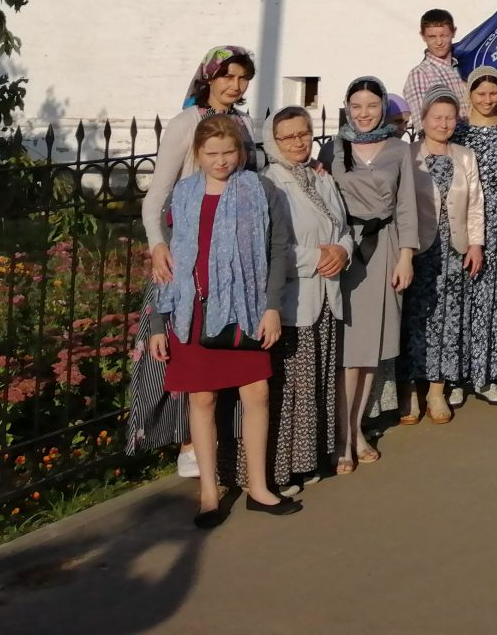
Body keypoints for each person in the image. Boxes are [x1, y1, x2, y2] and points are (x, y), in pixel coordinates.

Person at [146, 114, 300, 527]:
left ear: (243, 151)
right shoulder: (183, 194)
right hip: (191, 311)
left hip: (247, 310)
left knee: (257, 395)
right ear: (197, 153)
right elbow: (171, 264)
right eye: (211, 153)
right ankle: (210, 492)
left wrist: (271, 307)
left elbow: (278, 249)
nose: (220, 161)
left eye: (228, 152)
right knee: (202, 399)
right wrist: (161, 321)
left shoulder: (260, 189)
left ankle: (258, 487)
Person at [135, 44, 258, 480]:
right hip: (186, 255)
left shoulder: (244, 124)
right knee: (182, 350)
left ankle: (217, 442)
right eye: (227, 76)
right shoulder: (187, 124)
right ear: (209, 77)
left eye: (243, 78)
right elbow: (157, 195)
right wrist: (157, 245)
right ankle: (186, 440)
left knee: (225, 345)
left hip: (231, 259)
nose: (235, 85)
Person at [243, 106, 351, 497]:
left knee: (318, 382)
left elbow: (343, 227)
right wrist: (317, 258)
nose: (299, 142)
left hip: (326, 295)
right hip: (294, 299)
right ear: (274, 141)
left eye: (304, 133)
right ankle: (281, 468)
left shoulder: (320, 178)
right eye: (288, 136)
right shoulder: (269, 182)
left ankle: (309, 460)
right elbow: (271, 248)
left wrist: (342, 250)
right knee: (290, 390)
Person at [329, 76, 419, 471]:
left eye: (371, 105)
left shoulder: (399, 149)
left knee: (371, 352)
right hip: (347, 251)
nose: (364, 114)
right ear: (347, 108)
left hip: (384, 248)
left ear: (382, 107)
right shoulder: (335, 147)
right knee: (350, 351)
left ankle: (357, 427)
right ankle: (342, 437)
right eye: (356, 106)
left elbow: (406, 206)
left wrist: (406, 256)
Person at [402, 92, 485, 424]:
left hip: (454, 251)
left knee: (448, 320)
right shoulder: (408, 155)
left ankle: (437, 390)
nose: (443, 123)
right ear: (423, 120)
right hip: (418, 250)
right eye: (437, 117)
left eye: (450, 117)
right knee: (414, 319)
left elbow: (476, 203)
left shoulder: (465, 157)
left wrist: (476, 244)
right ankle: (410, 390)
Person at [456, 67, 497, 404]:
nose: (487, 100)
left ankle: (494, 374)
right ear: (470, 94)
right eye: (480, 94)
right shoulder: (459, 133)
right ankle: (460, 375)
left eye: (493, 93)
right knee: (466, 300)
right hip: (466, 224)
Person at [403, 7, 468, 130]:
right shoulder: (420, 74)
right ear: (423, 36)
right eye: (432, 36)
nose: (439, 42)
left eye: (444, 35)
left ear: (454, 32)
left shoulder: (464, 67)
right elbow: (423, 124)